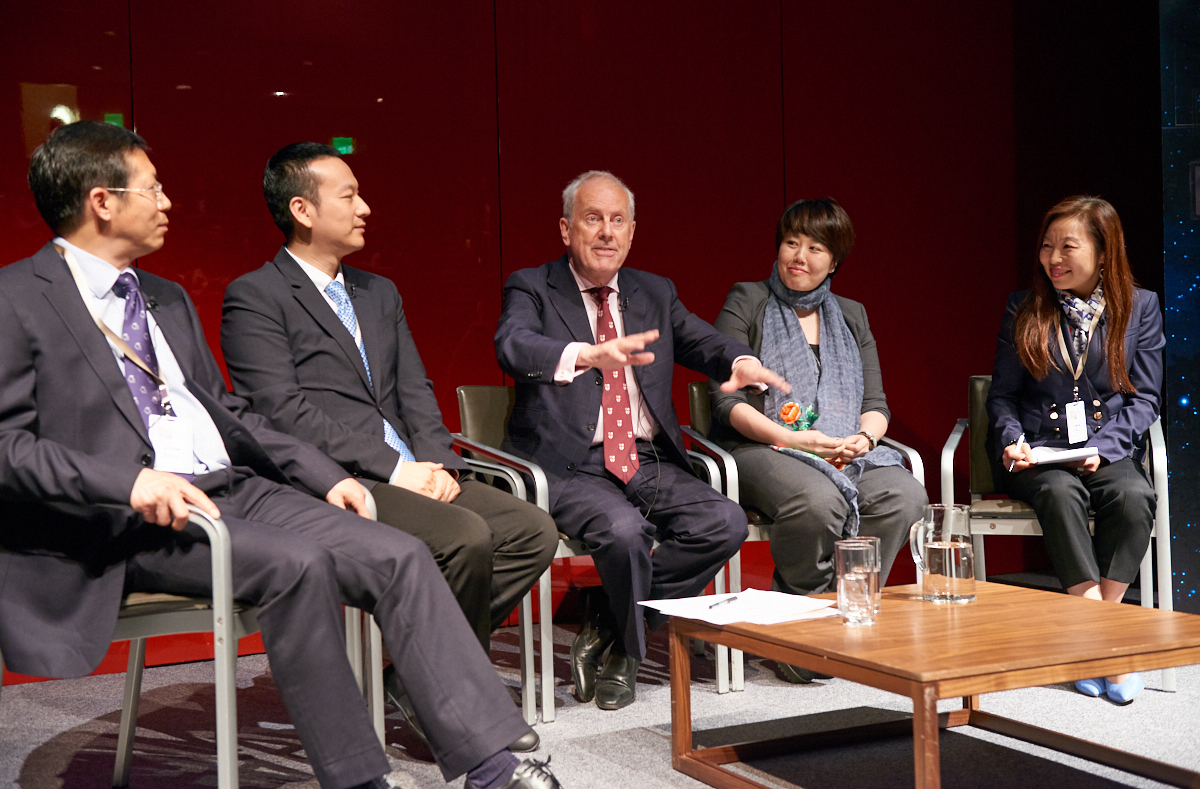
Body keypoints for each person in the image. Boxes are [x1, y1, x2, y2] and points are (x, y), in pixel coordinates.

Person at [0, 121, 561, 789]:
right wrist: (128, 481)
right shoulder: (17, 298)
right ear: (102, 201)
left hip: (235, 486)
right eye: (152, 187)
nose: (167, 201)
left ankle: (492, 767)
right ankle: (359, 780)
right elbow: (8, 447)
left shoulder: (163, 296)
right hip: (136, 515)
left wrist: (324, 477)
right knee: (299, 565)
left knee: (401, 555)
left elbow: (228, 411)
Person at [220, 143, 558, 749]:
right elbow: (282, 414)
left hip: (412, 467)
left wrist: (439, 465)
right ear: (302, 209)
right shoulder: (256, 296)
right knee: (465, 537)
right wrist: (395, 470)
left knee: (531, 529)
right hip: (336, 479)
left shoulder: (380, 292)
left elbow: (414, 391)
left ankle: (415, 678)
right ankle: (457, 706)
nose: (365, 208)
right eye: (349, 195)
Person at [494, 170, 787, 710]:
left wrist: (740, 361)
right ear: (566, 229)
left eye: (618, 220)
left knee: (723, 522)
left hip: (646, 458)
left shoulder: (654, 290)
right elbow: (513, 346)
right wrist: (585, 354)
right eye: (593, 219)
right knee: (624, 532)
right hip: (569, 462)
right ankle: (627, 656)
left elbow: (702, 341)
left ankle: (609, 617)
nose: (607, 232)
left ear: (632, 232)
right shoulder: (532, 285)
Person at [707, 198, 927, 682]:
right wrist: (793, 438)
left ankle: (843, 608)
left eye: (815, 248)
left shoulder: (851, 314)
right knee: (818, 500)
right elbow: (726, 401)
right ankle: (800, 619)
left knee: (905, 496)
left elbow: (876, 403)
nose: (799, 257)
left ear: (835, 261)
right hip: (760, 446)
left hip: (841, 446)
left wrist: (865, 438)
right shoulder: (748, 299)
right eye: (791, 242)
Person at [986, 195, 1162, 705]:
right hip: (1038, 451)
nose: (1053, 258)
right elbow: (1002, 395)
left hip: (1107, 446)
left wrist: (1104, 449)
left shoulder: (1140, 307)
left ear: (1104, 253)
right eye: (1047, 246)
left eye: (1068, 247)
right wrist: (1012, 440)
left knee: (1134, 496)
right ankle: (1108, 643)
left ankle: (1090, 639)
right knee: (1060, 494)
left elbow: (1145, 397)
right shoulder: (1024, 307)